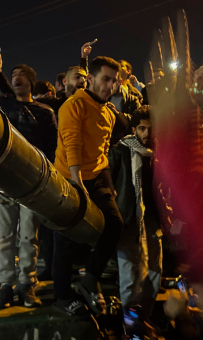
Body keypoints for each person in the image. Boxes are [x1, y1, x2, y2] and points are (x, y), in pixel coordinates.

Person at [0, 50, 58, 308]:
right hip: (4, 182)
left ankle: (27, 284)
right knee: (3, 236)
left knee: (29, 237)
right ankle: (5, 286)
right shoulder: (5, 105)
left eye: (21, 75)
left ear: (31, 82)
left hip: (33, 183)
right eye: (12, 76)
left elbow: (51, 149)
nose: (16, 79)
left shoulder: (45, 112)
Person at [52, 56, 124, 316]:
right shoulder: (73, 105)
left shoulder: (108, 113)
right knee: (64, 238)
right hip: (67, 177)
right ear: (91, 79)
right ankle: (61, 297)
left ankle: (88, 281)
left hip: (95, 177)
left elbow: (102, 150)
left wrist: (107, 183)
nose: (110, 86)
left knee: (114, 224)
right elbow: (72, 143)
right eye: (106, 79)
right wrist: (77, 183)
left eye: (114, 81)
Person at [109, 106, 162, 315]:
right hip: (129, 220)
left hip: (152, 221)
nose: (147, 134)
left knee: (154, 273)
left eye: (150, 129)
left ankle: (145, 318)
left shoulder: (159, 154)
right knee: (129, 276)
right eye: (142, 129)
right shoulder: (121, 151)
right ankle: (130, 327)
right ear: (134, 129)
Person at [108, 74, 142, 145]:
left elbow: (137, 120)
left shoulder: (132, 100)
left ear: (120, 81)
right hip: (109, 142)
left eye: (114, 81)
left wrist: (117, 114)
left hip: (126, 143)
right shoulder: (104, 99)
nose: (111, 85)